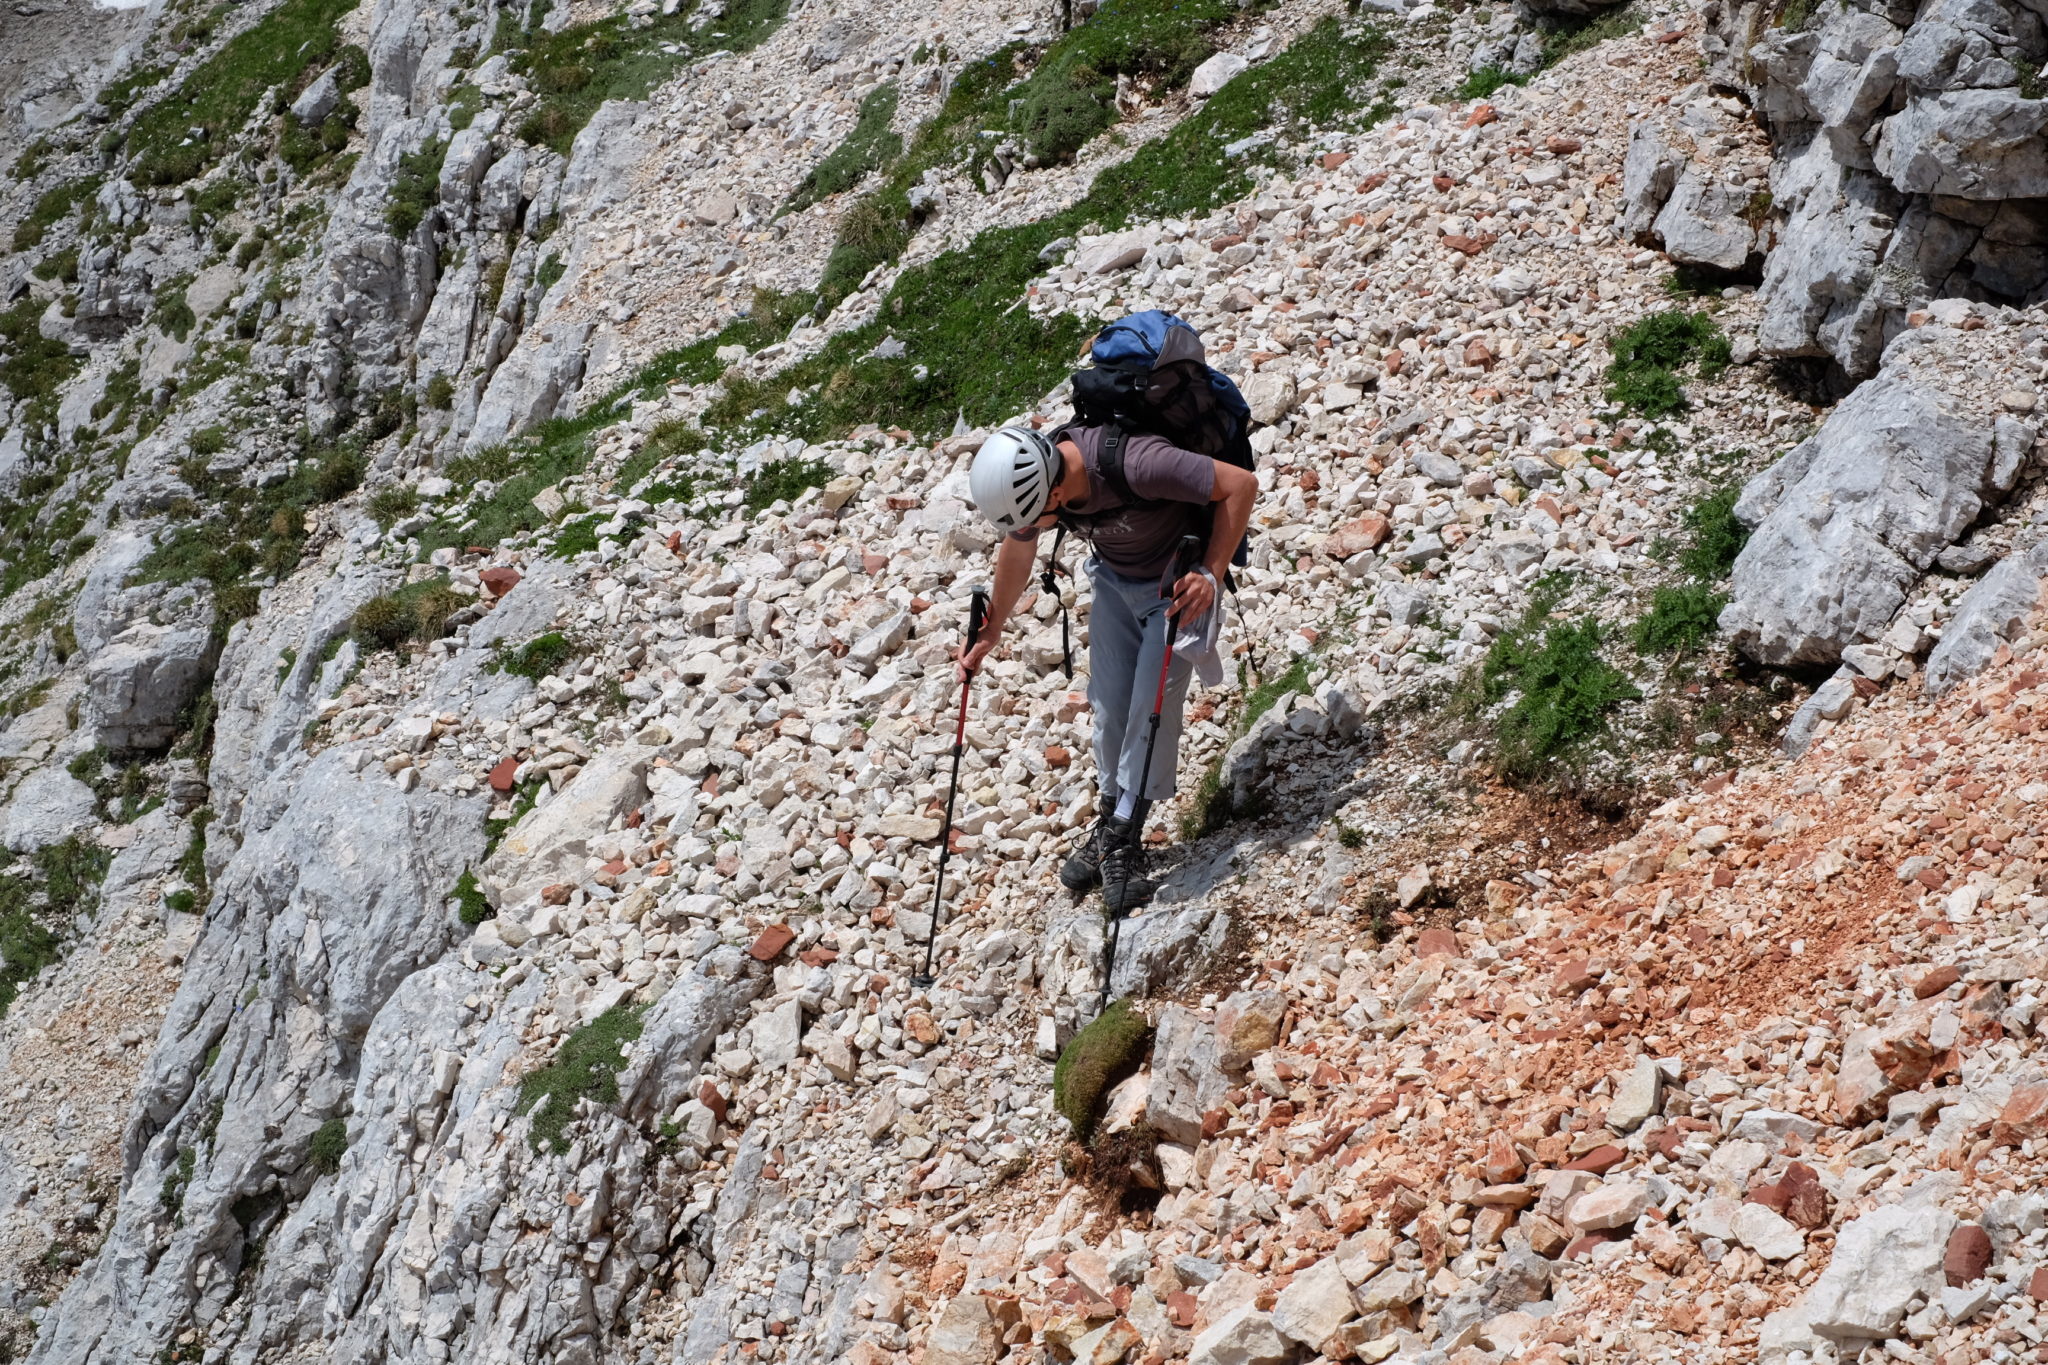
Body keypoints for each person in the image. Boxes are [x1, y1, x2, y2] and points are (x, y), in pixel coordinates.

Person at [961, 423, 1257, 913]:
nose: (1037, 526)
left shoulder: (1136, 461)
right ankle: (1110, 819)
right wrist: (992, 631)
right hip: (1116, 586)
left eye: (1041, 515)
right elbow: (1019, 542)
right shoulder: (1039, 482)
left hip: (1174, 590)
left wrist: (1210, 572)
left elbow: (1240, 485)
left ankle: (1124, 840)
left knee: (1149, 709)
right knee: (1109, 708)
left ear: (1055, 487)